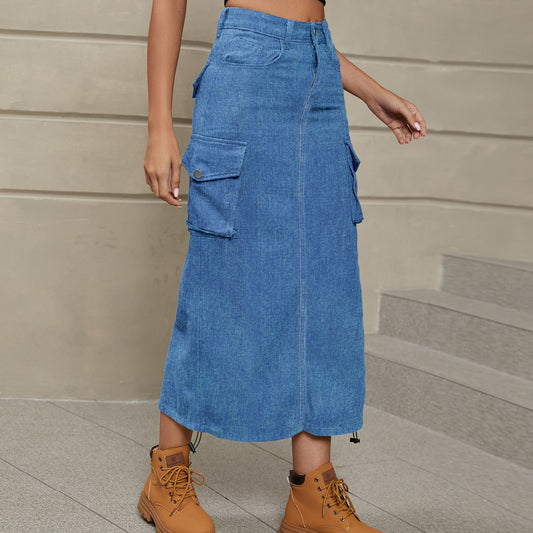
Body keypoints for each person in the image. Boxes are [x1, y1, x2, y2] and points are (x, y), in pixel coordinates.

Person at [139, 1, 427, 532]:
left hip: (319, 75)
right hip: (245, 75)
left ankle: (311, 493)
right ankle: (167, 474)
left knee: (324, 284)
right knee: (222, 283)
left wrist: (371, 92)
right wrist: (160, 125)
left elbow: (301, 28)